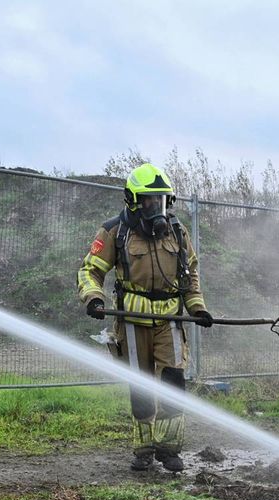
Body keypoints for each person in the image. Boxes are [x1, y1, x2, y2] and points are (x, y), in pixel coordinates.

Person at [76, 163, 211, 472]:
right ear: (133, 200)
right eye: (150, 201)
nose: (156, 208)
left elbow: (190, 274)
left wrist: (197, 308)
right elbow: (90, 270)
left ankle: (169, 449)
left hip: (170, 323)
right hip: (132, 323)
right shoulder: (114, 231)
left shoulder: (177, 231)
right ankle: (144, 449)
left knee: (173, 383)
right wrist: (93, 297)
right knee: (141, 387)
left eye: (162, 201)